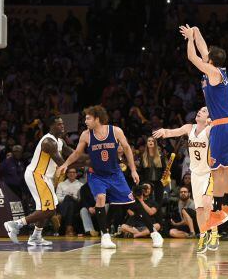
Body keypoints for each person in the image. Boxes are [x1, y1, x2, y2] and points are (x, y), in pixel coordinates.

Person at [57, 105, 164, 249]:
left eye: (88, 118)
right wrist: (66, 164)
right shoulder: (86, 135)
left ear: (97, 118)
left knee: (132, 204)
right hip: (96, 175)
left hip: (115, 175)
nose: (86, 121)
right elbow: (76, 153)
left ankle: (154, 233)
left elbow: (127, 149)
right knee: (100, 198)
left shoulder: (115, 131)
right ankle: (105, 236)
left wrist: (133, 170)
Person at [179, 25, 228, 230]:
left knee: (216, 171)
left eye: (208, 56)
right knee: (224, 168)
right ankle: (227, 207)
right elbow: (204, 50)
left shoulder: (213, 72)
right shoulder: (218, 70)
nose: (205, 56)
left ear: (211, 61)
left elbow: (192, 57)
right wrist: (196, 31)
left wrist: (189, 39)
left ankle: (222, 210)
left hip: (221, 126)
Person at [4, 116, 85, 246]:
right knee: (49, 209)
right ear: (51, 126)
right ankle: (15, 224)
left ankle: (36, 236)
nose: (62, 126)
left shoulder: (60, 141)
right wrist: (87, 165)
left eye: (62, 124)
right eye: (59, 124)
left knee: (47, 207)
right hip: (37, 175)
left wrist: (92, 158)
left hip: (45, 176)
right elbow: (63, 164)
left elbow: (75, 154)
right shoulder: (48, 142)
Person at [153, 107, 216, 253]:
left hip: (208, 173)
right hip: (195, 174)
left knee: (207, 203)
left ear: (208, 118)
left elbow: (221, 128)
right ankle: (202, 236)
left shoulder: (209, 130)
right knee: (199, 208)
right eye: (199, 110)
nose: (200, 111)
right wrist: (164, 132)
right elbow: (173, 132)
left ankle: (213, 234)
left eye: (205, 111)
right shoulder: (189, 128)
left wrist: (214, 122)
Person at [56, 167, 83, 236]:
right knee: (68, 200)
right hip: (63, 205)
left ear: (76, 174)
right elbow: (57, 198)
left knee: (70, 200)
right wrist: (66, 197)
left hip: (76, 204)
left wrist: (73, 197)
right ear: (67, 174)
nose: (72, 174)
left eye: (73, 172)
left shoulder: (80, 185)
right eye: (70, 172)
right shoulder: (61, 184)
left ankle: (60, 216)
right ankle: (69, 228)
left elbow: (81, 199)